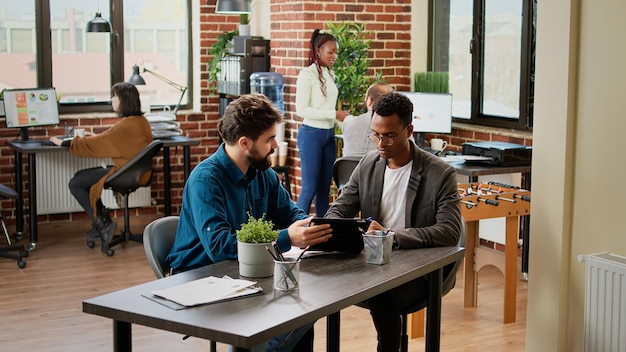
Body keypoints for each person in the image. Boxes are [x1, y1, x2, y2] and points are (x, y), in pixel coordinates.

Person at [166, 93, 333, 352]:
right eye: (269, 139)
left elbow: (290, 214)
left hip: (246, 271)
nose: (275, 145)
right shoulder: (206, 179)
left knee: (304, 307)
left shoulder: (263, 172)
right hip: (201, 275)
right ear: (245, 143)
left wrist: (309, 227)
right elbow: (220, 246)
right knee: (294, 312)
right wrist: (287, 237)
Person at [324, 92, 463, 352]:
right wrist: (334, 230)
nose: (381, 143)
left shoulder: (440, 173)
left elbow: (450, 231)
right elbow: (338, 210)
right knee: (327, 280)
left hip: (420, 268)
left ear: (409, 130)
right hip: (374, 262)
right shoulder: (368, 164)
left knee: (381, 291)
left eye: (389, 135)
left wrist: (390, 236)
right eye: (375, 134)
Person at [50, 82, 153, 253]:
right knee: (81, 176)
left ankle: (103, 224)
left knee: (76, 183)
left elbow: (100, 144)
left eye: (114, 96)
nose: (112, 100)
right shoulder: (141, 121)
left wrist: (65, 143)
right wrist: (98, 137)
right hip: (136, 173)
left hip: (125, 174)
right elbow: (111, 141)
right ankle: (103, 221)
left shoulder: (126, 125)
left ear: (123, 101)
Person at [295, 29, 348, 216]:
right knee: (309, 188)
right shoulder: (307, 74)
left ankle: (323, 234)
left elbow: (331, 112)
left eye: (336, 52)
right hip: (310, 135)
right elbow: (301, 110)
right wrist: (334, 113)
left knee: (324, 190)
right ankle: (296, 230)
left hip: (328, 135)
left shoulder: (330, 74)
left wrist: (348, 124)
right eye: (330, 52)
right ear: (318, 50)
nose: (334, 56)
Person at [341, 82, 394, 158]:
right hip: (377, 169)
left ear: (369, 100)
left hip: (348, 169)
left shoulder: (348, 122)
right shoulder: (396, 127)